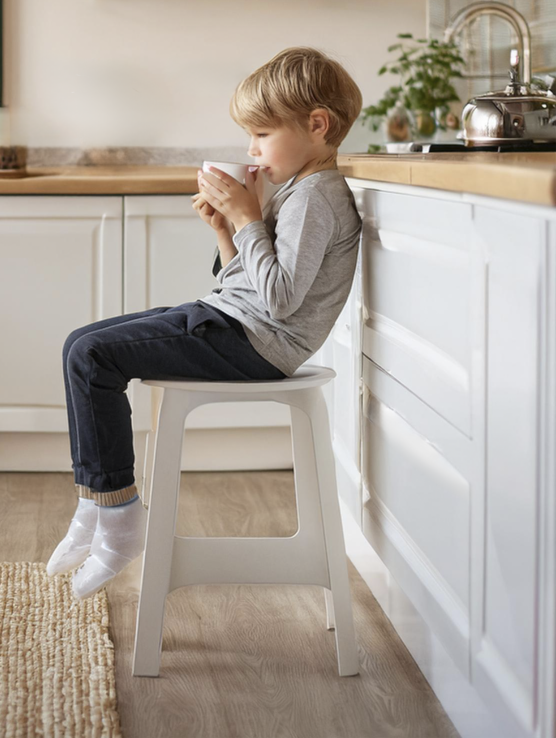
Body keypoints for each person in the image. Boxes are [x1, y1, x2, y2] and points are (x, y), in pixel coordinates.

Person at [47, 46, 364, 600]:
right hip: (234, 322)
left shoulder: (317, 197)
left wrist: (246, 217)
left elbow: (279, 300)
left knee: (91, 355)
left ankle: (117, 518)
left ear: (317, 126)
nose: (252, 150)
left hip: (254, 342)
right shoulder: (298, 191)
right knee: (81, 342)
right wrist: (226, 229)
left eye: (261, 134)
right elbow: (248, 282)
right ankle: (96, 503)